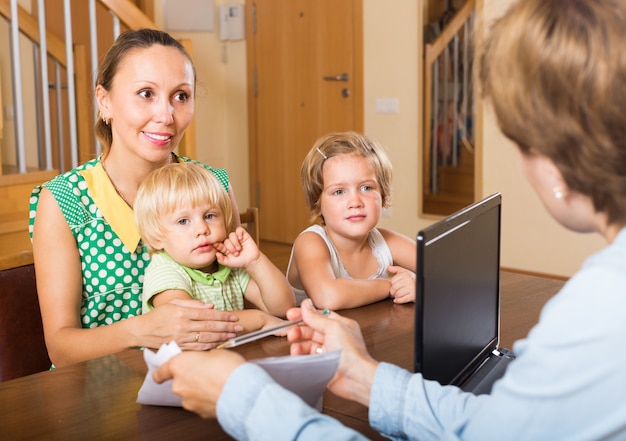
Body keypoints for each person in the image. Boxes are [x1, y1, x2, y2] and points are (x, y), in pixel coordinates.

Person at [153, 0, 626, 439]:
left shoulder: (602, 306)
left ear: (553, 161)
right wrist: (363, 376)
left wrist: (243, 397)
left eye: (519, 141)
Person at [29, 28, 245, 368]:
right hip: (99, 401)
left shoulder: (213, 184)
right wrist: (141, 330)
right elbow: (60, 347)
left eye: (181, 96)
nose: (166, 116)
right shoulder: (63, 201)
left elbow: (249, 290)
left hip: (206, 382)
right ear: (105, 101)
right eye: (146, 93)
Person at [135, 162, 294, 333]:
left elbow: (283, 308)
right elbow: (194, 324)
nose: (202, 229)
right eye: (183, 221)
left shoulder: (229, 264)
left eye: (209, 216)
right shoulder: (164, 270)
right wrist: (259, 320)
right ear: (156, 238)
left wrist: (256, 261)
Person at [286, 132, 416, 309]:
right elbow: (327, 297)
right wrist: (390, 286)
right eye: (339, 191)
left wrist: (416, 285)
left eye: (366, 187)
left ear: (383, 195)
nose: (355, 202)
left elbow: (444, 269)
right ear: (318, 202)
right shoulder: (310, 243)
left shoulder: (385, 241)